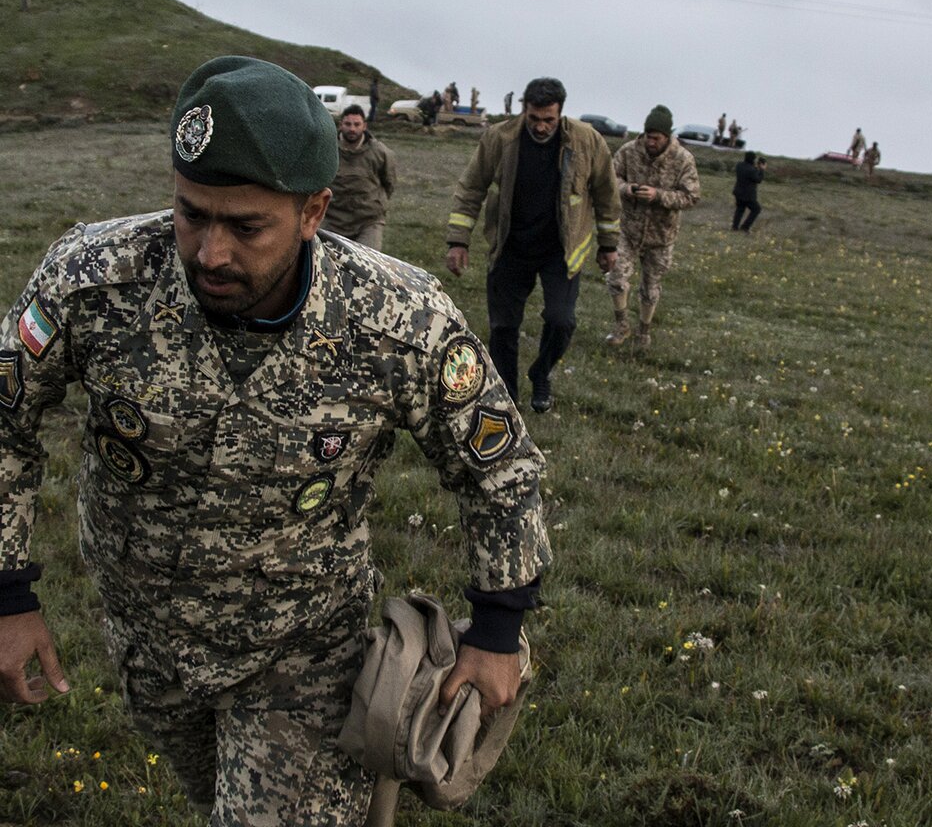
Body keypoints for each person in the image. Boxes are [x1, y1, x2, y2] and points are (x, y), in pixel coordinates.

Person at [0, 56, 550, 824]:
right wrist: (8, 595)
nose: (210, 253)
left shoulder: (398, 319)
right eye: (192, 214)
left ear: (315, 211)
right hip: (147, 641)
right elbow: (5, 422)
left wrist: (497, 627)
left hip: (303, 652)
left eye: (245, 226)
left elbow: (500, 468)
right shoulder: (96, 281)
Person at [445, 77, 620, 413]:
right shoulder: (500, 138)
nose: (541, 127)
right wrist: (458, 240)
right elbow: (471, 187)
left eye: (549, 120)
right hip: (511, 246)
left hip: (561, 250)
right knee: (504, 327)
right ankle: (506, 397)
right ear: (524, 110)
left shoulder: (587, 141)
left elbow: (606, 193)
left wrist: (608, 244)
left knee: (561, 320)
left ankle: (542, 372)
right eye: (534, 119)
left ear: (561, 114)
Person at [604, 105, 700, 349]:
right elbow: (610, 179)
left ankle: (643, 332)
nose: (651, 142)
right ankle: (621, 325)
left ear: (667, 137)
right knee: (616, 277)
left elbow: (691, 196)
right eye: (648, 136)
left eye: (656, 138)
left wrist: (659, 196)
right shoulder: (628, 152)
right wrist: (628, 189)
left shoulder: (683, 159)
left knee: (651, 287)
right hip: (628, 229)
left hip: (661, 235)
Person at [323, 104, 398, 252]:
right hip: (332, 220)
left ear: (364, 126)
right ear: (340, 125)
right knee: (325, 266)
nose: (352, 129)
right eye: (348, 124)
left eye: (357, 124)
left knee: (367, 269)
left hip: (368, 222)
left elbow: (389, 183)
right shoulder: (327, 149)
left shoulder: (381, 153)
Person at [732, 151, 766, 231]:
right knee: (756, 209)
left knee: (740, 209)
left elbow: (749, 171)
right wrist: (762, 170)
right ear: (753, 159)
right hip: (748, 195)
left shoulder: (739, 165)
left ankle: (735, 227)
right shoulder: (752, 170)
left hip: (738, 192)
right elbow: (758, 180)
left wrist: (756, 168)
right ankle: (745, 227)